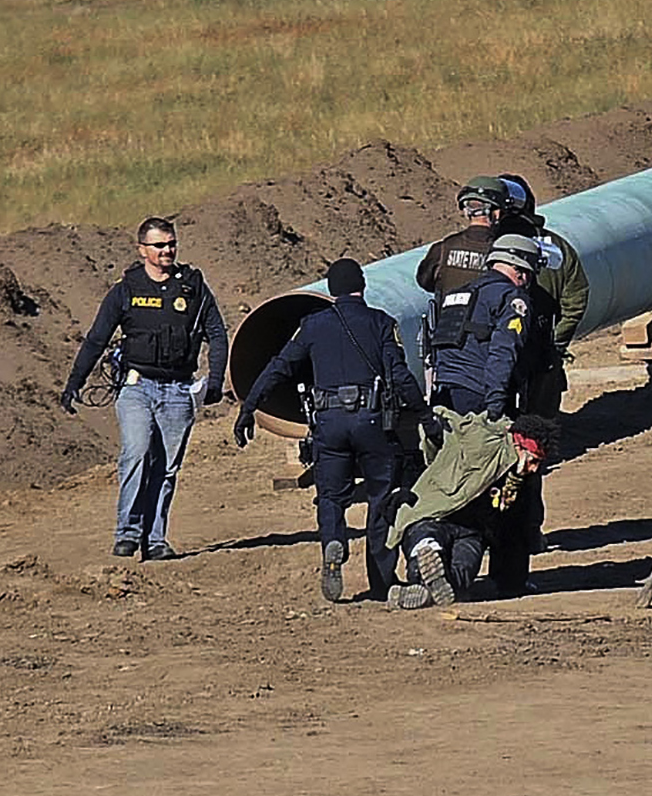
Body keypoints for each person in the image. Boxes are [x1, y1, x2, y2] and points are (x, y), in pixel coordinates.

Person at [233, 259, 430, 602]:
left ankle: (334, 540)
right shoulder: (381, 323)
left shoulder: (312, 325)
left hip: (328, 423)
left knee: (330, 496)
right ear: (363, 287)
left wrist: (249, 407)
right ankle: (382, 580)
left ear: (331, 290)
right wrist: (424, 414)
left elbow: (279, 367)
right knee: (381, 499)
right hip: (372, 422)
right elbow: (399, 375)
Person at [60, 217, 228, 561]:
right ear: (142, 250)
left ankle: (155, 540)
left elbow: (218, 333)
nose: (167, 250)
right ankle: (127, 533)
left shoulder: (193, 287)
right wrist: (74, 382)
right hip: (137, 387)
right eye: (159, 245)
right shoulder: (126, 290)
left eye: (171, 243)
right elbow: (96, 339)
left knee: (166, 468)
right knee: (135, 454)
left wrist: (215, 380)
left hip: (179, 391)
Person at [384, 413, 559, 607]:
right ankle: (428, 554)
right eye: (533, 460)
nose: (534, 469)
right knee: (425, 539)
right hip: (436, 516)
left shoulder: (523, 478)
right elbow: (456, 425)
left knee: (461, 578)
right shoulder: (483, 440)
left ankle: (421, 593)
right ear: (519, 446)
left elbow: (516, 526)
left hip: (471, 533)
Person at [499, 175, 591, 417]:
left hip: (498, 350)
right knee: (540, 422)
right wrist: (556, 343)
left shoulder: (488, 245)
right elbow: (575, 301)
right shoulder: (557, 247)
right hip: (543, 347)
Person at [425, 233, 540, 418]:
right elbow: (504, 351)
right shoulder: (511, 298)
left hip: (443, 392)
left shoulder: (458, 295)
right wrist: (496, 404)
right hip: (479, 395)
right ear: (520, 270)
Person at [416, 176, 515, 295]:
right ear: (497, 213)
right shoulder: (505, 253)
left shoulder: (443, 248)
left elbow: (424, 281)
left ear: (466, 211)